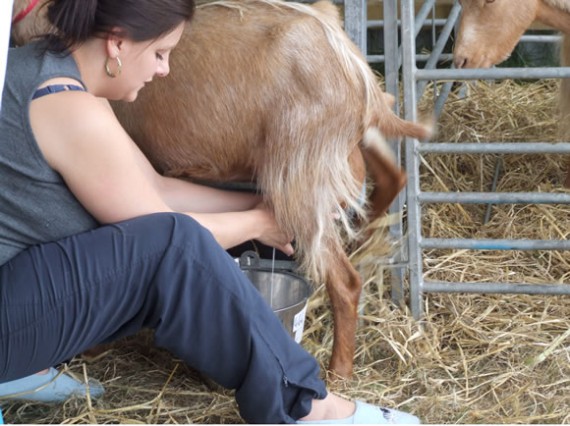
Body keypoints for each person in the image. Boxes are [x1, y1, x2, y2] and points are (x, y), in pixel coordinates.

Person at [0, 0, 421, 423]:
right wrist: (260, 224)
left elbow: (155, 188)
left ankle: (21, 372)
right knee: (173, 245)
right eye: (160, 54)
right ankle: (308, 406)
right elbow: (159, 230)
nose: (164, 70)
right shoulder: (67, 105)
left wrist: (267, 208)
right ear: (117, 44)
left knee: (171, 238)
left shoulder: (50, 71)